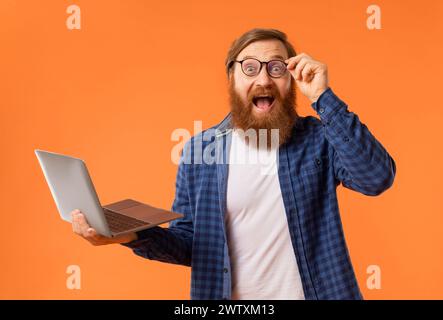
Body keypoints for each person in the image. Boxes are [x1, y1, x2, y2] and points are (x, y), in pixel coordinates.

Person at [71, 28, 396, 300]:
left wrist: (323, 97)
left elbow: (376, 177)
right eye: (250, 68)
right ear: (232, 77)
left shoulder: (318, 137)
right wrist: (126, 235)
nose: (264, 79)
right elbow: (189, 244)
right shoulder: (200, 150)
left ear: (292, 77)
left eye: (277, 67)